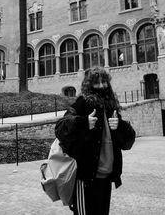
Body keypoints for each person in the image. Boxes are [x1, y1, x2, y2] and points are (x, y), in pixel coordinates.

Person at [55, 67, 135, 215]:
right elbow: (60, 128)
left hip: (107, 176)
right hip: (85, 177)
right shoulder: (82, 102)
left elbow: (128, 142)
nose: (101, 86)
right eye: (97, 83)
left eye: (104, 82)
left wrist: (120, 126)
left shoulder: (111, 106)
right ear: (89, 84)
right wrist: (83, 122)